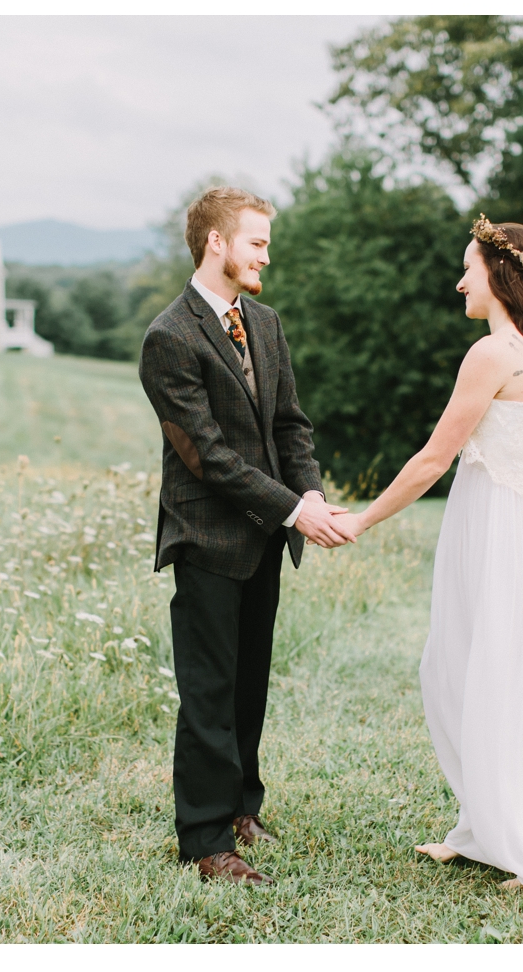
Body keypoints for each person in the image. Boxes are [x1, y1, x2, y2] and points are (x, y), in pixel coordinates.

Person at [331, 216, 523, 903]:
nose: (460, 279)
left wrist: (363, 518)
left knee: (479, 669)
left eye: (469, 266)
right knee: (494, 669)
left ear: (499, 275)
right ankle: (487, 827)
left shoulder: (492, 354)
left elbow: (434, 457)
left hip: (503, 536)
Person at [138, 187, 355, 886]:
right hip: (205, 538)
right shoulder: (168, 338)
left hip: (262, 537)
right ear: (217, 244)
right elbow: (207, 456)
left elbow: (290, 425)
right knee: (209, 691)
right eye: (256, 241)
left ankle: (240, 807)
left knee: (249, 685)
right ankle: (204, 840)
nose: (266, 253)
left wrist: (311, 488)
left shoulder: (264, 321)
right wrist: (296, 510)